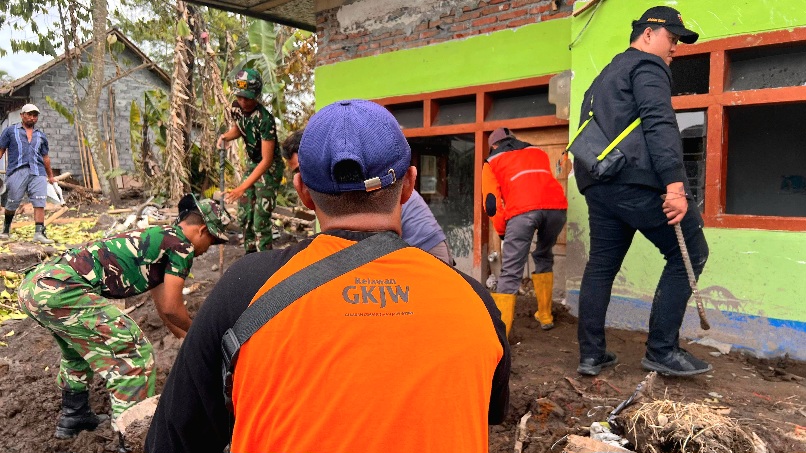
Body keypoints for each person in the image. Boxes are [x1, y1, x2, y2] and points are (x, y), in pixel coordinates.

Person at [145, 99, 510, 453]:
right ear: (410, 185)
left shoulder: (244, 289)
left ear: (303, 190)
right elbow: (483, 412)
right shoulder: (475, 302)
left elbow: (172, 439)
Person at [17, 194, 228, 444]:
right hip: (61, 289)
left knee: (78, 350)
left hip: (36, 285)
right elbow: (173, 308)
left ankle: (74, 416)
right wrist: (200, 335)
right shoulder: (182, 245)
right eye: (212, 242)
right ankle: (132, 440)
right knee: (134, 354)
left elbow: (164, 308)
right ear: (202, 231)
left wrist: (188, 340)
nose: (206, 250)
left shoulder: (158, 239)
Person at [574, 6, 711, 377]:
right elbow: (660, 122)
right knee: (691, 253)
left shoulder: (605, 74)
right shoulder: (647, 66)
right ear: (648, 33)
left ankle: (591, 355)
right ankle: (662, 351)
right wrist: (675, 186)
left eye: (680, 41)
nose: (676, 48)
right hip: (635, 180)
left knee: (601, 265)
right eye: (673, 37)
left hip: (598, 182)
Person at [283, 128, 455, 264]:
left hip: (425, 248)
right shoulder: (333, 189)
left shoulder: (355, 184)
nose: (303, 176)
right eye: (297, 171)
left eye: (304, 168)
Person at [482, 127, 568, 336]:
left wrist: (503, 232)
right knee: (543, 254)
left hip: (522, 212)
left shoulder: (492, 161)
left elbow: (492, 204)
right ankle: (545, 316)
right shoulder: (538, 152)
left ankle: (500, 337)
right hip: (556, 209)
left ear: (494, 145)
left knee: (510, 272)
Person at [217, 68, 284, 253]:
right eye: (240, 97)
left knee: (260, 218)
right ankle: (250, 256)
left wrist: (242, 187)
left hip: (269, 169)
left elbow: (267, 160)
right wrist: (225, 137)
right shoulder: (236, 108)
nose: (243, 102)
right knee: (245, 215)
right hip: (254, 164)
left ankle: (265, 261)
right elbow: (240, 128)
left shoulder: (265, 119)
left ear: (257, 95)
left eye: (247, 98)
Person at [0, 103, 56, 243]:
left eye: (35, 115)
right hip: (17, 171)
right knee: (12, 202)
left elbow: (45, 157)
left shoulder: (41, 135)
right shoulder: (10, 131)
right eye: (29, 114)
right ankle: (6, 231)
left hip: (38, 172)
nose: (32, 118)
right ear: (22, 115)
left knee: (39, 201)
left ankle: (39, 233)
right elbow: (1, 150)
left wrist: (50, 176)